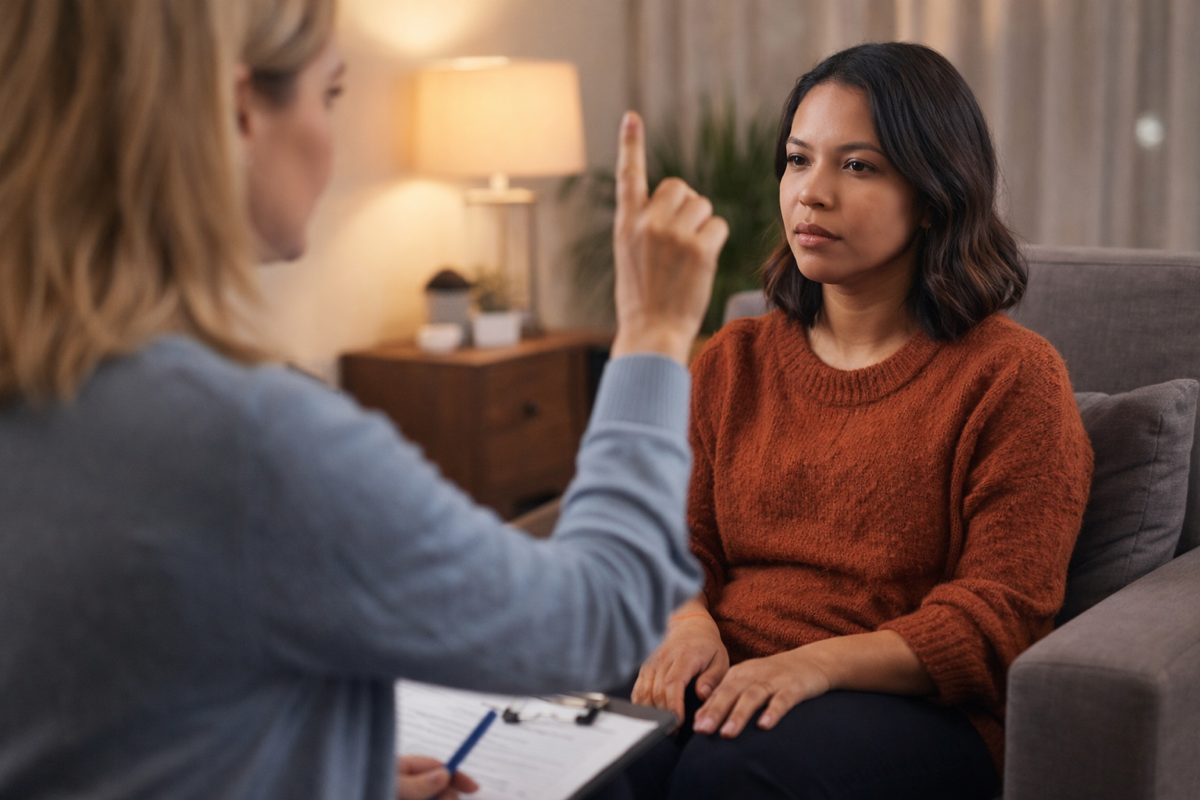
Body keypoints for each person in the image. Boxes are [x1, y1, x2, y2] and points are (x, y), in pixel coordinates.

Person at [0, 1, 728, 799]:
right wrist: (654, 334)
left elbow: (119, 719)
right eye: (332, 94)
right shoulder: (248, 441)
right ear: (242, 112)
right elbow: (596, 621)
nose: (333, 139)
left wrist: (321, 766)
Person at [618, 42, 1093, 799]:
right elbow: (677, 541)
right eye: (799, 160)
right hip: (733, 669)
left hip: (911, 709)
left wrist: (813, 665)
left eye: (858, 166)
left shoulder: (1012, 377)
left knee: (729, 772)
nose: (812, 193)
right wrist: (688, 628)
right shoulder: (733, 358)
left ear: (933, 194)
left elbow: (999, 617)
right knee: (587, 754)